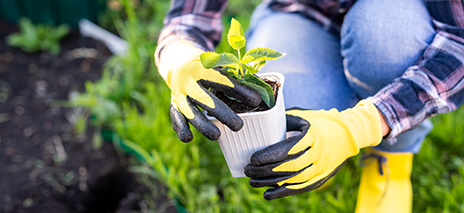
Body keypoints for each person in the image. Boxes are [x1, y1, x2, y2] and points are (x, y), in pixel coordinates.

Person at [155, 0, 464, 212]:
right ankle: (353, 113)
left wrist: (362, 125)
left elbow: (459, 47)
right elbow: (188, 17)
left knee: (387, 42)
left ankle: (390, 159)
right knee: (292, 132)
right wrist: (179, 59)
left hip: (399, 19)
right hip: (302, 13)